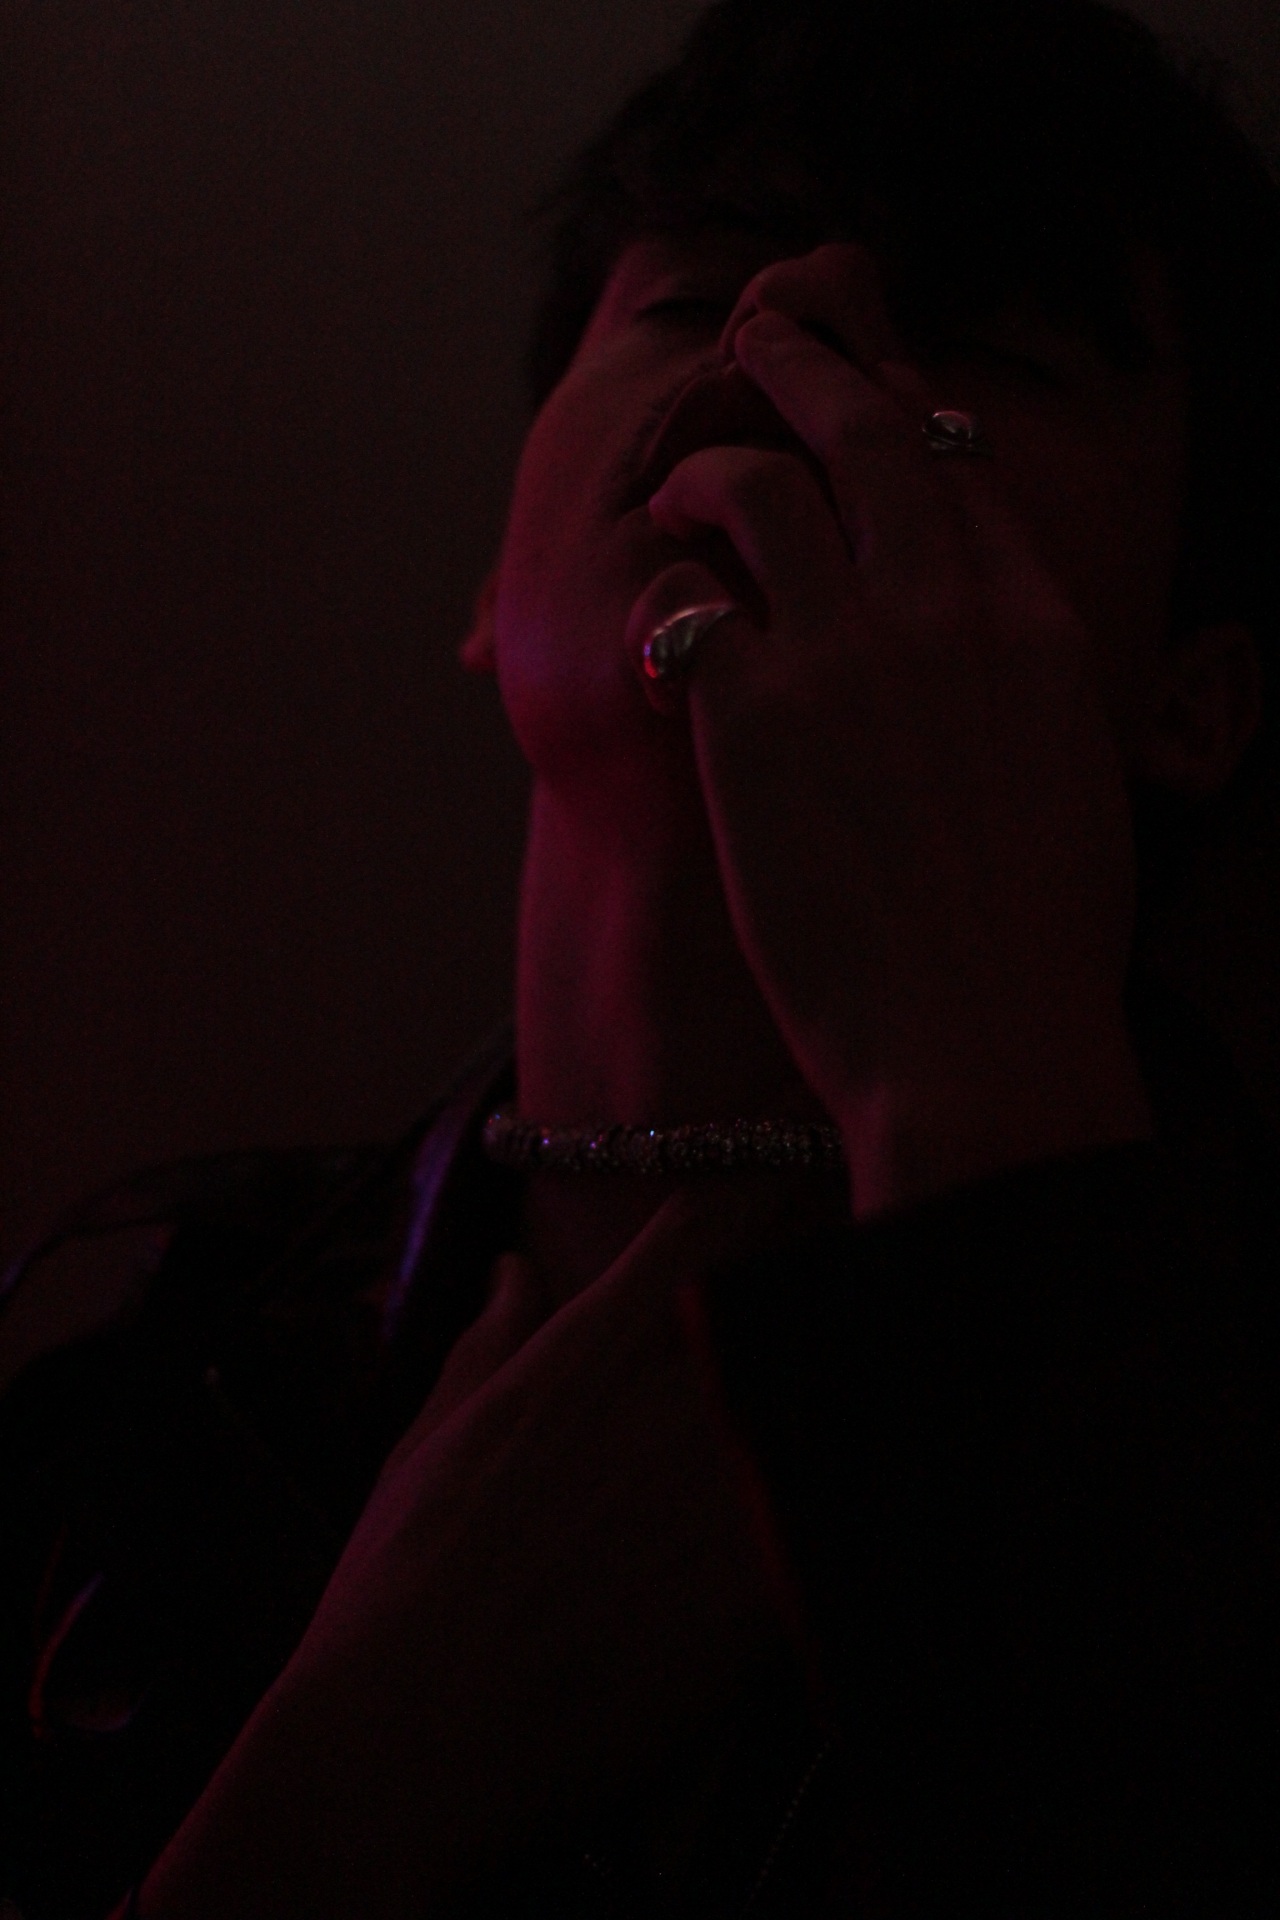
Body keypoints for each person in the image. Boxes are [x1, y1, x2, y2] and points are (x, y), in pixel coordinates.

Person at [3, 0, 1279, 1912]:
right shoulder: (128, 1427)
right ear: (493, 580)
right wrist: (341, 1793)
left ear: (1195, 698)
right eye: (692, 300)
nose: (800, 329)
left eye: (986, 357)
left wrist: (986, 1145)